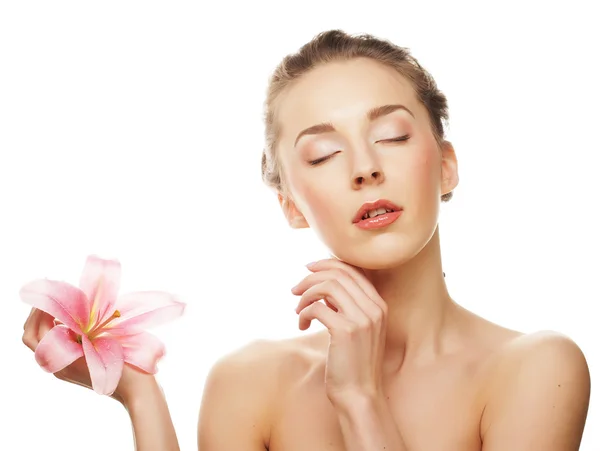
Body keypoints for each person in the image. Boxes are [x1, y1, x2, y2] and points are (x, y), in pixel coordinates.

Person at [22, 29, 591, 450]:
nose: (364, 168)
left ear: (445, 167)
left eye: (391, 135)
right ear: (292, 205)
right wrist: (139, 397)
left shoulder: (537, 369)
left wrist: (360, 400)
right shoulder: (248, 383)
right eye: (323, 154)